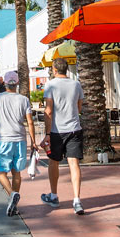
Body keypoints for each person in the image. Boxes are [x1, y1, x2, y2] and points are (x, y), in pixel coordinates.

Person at [0, 71, 38, 217]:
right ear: (16, 84)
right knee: (17, 173)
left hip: (4, 140)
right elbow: (29, 122)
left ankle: (12, 195)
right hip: (20, 140)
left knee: (1, 173)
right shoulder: (24, 99)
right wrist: (33, 142)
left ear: (5, 84)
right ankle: (14, 203)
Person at [40, 57, 85, 215]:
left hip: (56, 131)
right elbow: (79, 107)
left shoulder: (50, 85)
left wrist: (46, 133)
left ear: (54, 69)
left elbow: (49, 110)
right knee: (74, 164)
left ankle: (53, 196)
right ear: (66, 69)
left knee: (54, 163)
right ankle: (77, 200)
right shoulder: (76, 84)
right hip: (74, 129)